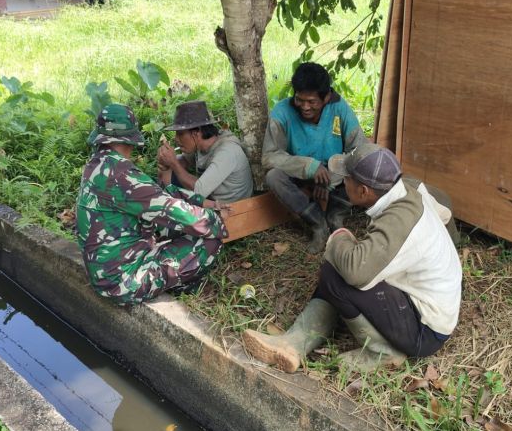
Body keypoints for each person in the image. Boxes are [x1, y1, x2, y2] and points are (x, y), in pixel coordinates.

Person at [243, 143, 462, 372]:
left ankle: (383, 352)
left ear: (364, 191)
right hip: (425, 303)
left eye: (346, 179)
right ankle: (294, 343)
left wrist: (339, 236)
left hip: (425, 330)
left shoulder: (398, 221)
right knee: (342, 265)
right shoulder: (404, 191)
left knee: (337, 274)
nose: (342, 182)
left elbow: (355, 272)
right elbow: (444, 210)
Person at [77, 103, 228, 304]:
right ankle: (181, 286)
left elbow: (160, 195)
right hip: (123, 283)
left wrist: (204, 203)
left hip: (105, 272)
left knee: (173, 221)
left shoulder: (96, 165)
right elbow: (177, 213)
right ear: (129, 141)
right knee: (209, 240)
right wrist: (216, 220)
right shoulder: (123, 176)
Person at [262, 62, 367, 252]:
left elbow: (359, 150)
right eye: (300, 99)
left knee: (365, 163)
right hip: (301, 176)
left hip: (335, 177)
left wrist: (329, 178)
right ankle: (318, 224)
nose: (305, 107)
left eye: (312, 102)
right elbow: (269, 157)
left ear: (327, 97)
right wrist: (309, 167)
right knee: (273, 176)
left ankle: (336, 216)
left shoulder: (339, 108)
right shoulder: (281, 112)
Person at [157, 100, 253, 203]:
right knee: (167, 174)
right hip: (211, 201)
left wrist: (173, 163)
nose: (176, 139)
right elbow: (184, 160)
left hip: (233, 208)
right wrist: (167, 161)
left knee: (174, 174)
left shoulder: (227, 152)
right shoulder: (202, 145)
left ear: (196, 133)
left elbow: (198, 191)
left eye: (180, 134)